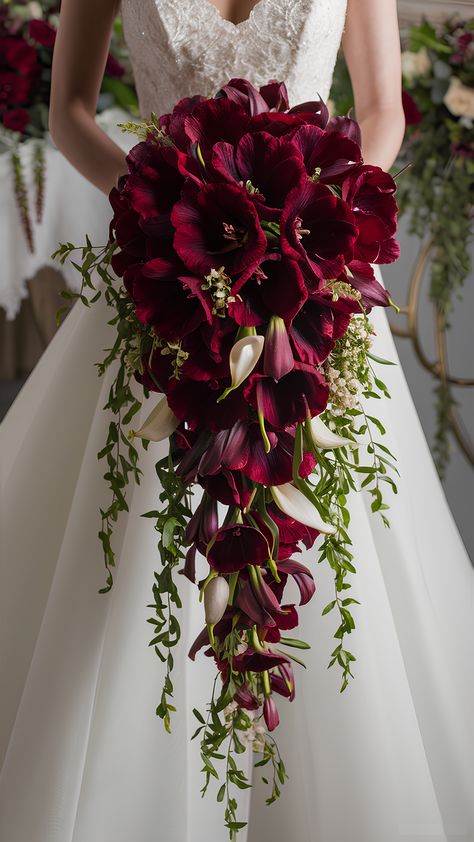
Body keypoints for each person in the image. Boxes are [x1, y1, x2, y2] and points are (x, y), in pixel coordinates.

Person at [0, 1, 472, 840]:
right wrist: (153, 207)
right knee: (135, 550)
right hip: (162, 280)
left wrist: (317, 221)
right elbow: (68, 111)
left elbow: (381, 112)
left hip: (307, 286)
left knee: (327, 562)